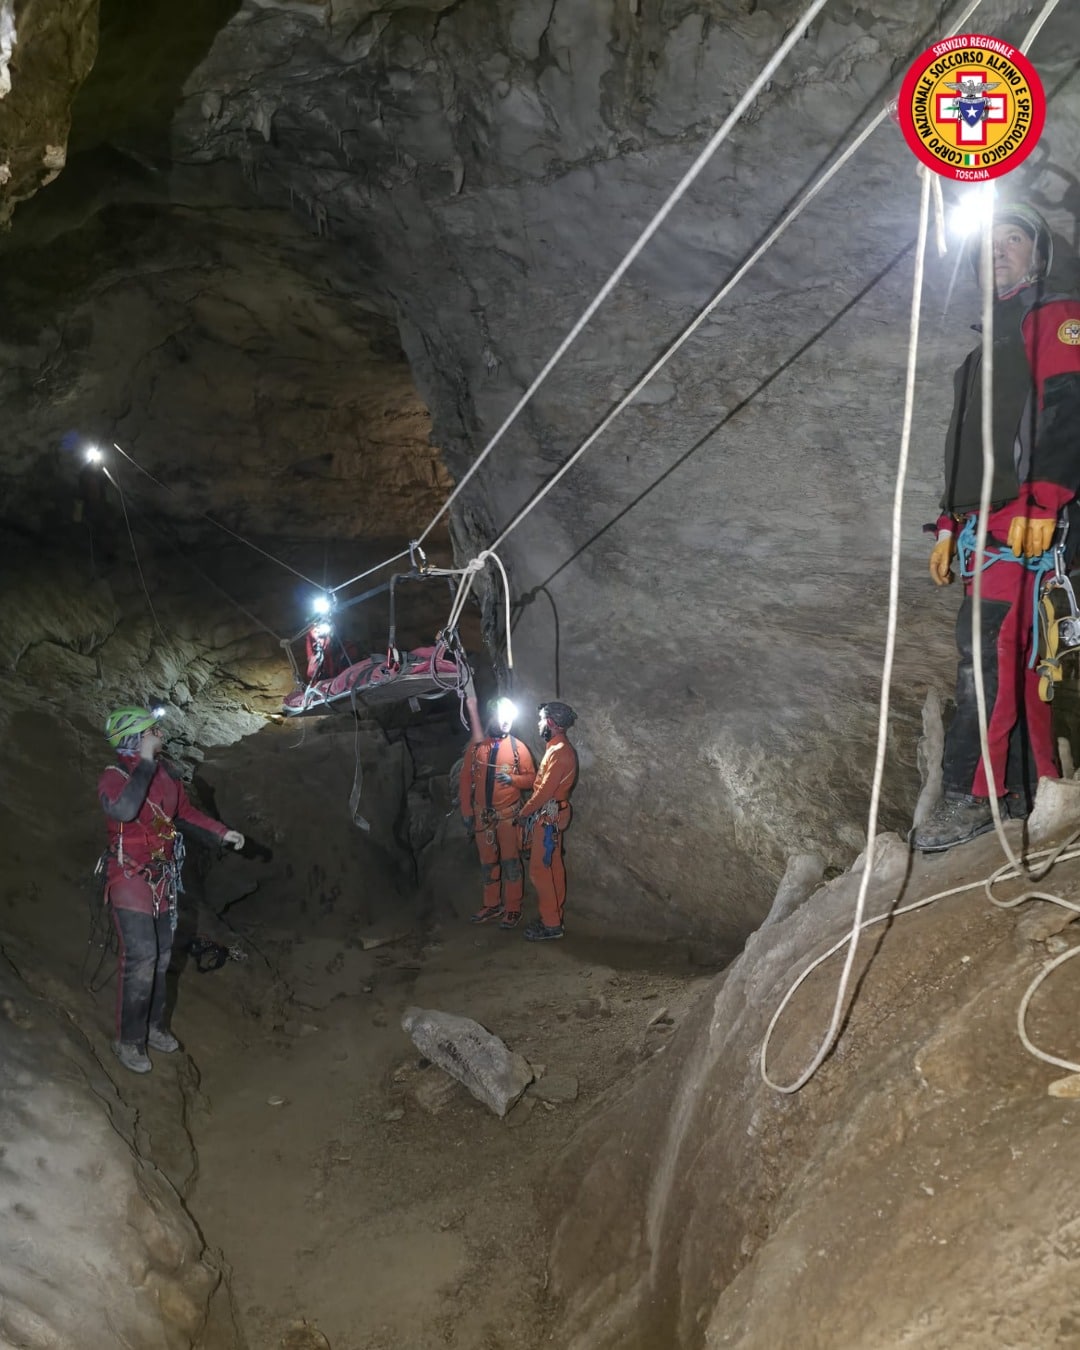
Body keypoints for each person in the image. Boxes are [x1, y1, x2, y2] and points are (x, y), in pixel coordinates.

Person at [913, 203, 1080, 852]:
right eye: (989, 242)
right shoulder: (981, 356)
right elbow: (969, 451)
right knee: (1017, 657)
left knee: (989, 654)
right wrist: (948, 525)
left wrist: (1045, 500)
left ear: (1038, 256)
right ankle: (1033, 790)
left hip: (1025, 521)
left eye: (1014, 239)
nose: (1000, 249)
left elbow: (1068, 407)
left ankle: (974, 795)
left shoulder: (1055, 317)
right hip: (985, 528)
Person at [98, 706, 245, 1073]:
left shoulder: (166, 775)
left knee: (163, 956)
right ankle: (129, 1040)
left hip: (161, 878)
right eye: (152, 730)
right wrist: (145, 763)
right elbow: (124, 810)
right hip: (129, 877)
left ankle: (154, 1026)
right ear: (135, 738)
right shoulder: (115, 776)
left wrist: (221, 832)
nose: (160, 734)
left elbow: (184, 814)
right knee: (142, 957)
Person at [459, 696, 536, 929]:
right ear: (492, 717)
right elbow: (466, 780)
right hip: (483, 817)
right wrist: (467, 811)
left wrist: (513, 780)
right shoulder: (476, 748)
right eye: (502, 717)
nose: (506, 723)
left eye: (509, 718)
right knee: (488, 863)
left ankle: (513, 908)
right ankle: (492, 904)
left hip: (507, 816)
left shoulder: (517, 748)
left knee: (511, 863)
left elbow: (532, 779)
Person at [517, 702, 579, 941]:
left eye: (542, 720)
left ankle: (551, 924)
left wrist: (524, 813)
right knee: (553, 867)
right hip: (552, 815)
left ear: (551, 723)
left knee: (540, 870)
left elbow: (544, 791)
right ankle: (554, 917)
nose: (539, 724)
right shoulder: (557, 748)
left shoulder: (560, 752)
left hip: (548, 817)